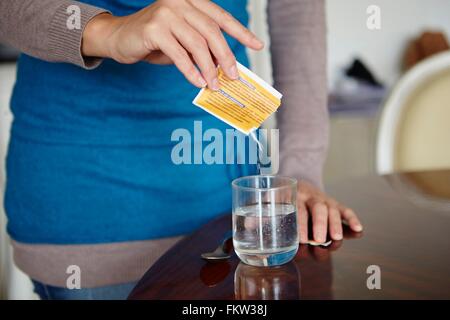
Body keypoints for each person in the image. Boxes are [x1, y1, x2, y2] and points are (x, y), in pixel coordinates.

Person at [0, 0, 362, 300]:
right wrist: (107, 31)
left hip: (236, 218)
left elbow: (297, 16)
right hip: (93, 212)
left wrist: (301, 172)